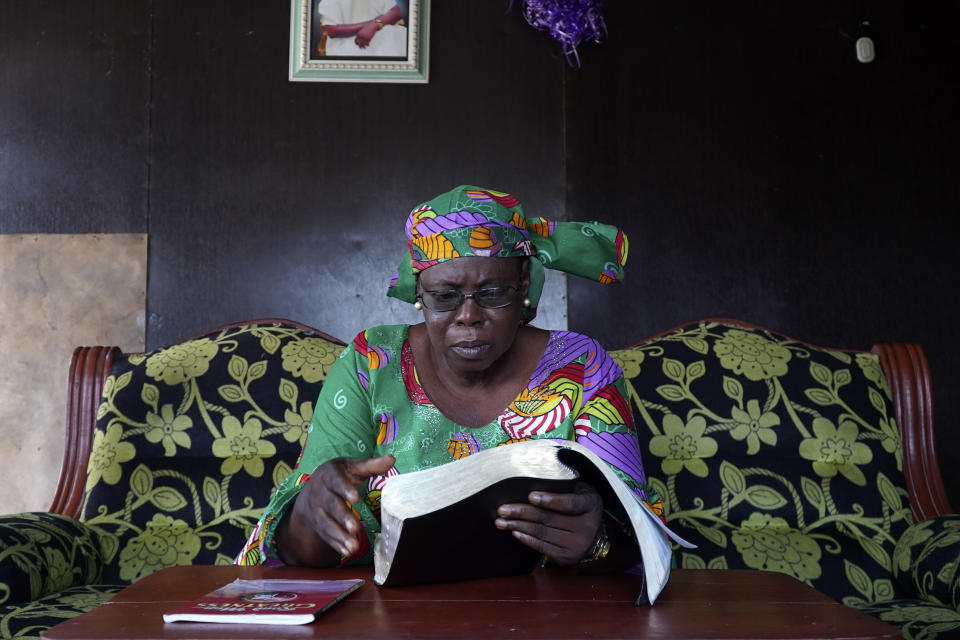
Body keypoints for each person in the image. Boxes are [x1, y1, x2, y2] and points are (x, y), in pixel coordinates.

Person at [236, 185, 658, 572]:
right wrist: (311, 513)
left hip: (543, 620)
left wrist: (598, 540)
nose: (468, 316)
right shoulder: (371, 364)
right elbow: (302, 555)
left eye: (493, 294)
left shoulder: (581, 367)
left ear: (523, 284)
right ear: (419, 292)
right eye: (444, 297)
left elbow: (646, 539)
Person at [316, 0, 408, 58]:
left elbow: (396, 12)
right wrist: (371, 25)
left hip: (378, 32)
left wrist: (374, 25)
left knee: (398, 35)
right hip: (347, 42)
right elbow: (333, 31)